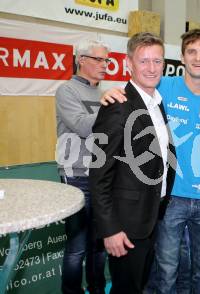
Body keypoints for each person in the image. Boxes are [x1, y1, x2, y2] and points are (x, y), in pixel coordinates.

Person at [100, 29, 200, 293]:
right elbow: (133, 91)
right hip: (170, 199)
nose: (197, 58)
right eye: (191, 51)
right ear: (181, 57)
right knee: (167, 269)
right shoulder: (162, 88)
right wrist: (107, 93)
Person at [89, 32, 176, 294]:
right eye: (144, 61)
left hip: (150, 217)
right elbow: (99, 174)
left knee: (139, 286)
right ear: (129, 64)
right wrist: (110, 229)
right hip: (125, 226)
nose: (151, 68)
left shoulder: (156, 102)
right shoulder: (117, 105)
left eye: (157, 61)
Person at [55, 39, 109, 294]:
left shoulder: (102, 93)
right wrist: (110, 107)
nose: (104, 65)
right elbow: (82, 126)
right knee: (76, 249)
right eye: (98, 59)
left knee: (99, 246)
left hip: (101, 177)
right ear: (81, 60)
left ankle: (97, 289)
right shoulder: (67, 91)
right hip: (76, 176)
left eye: (106, 60)